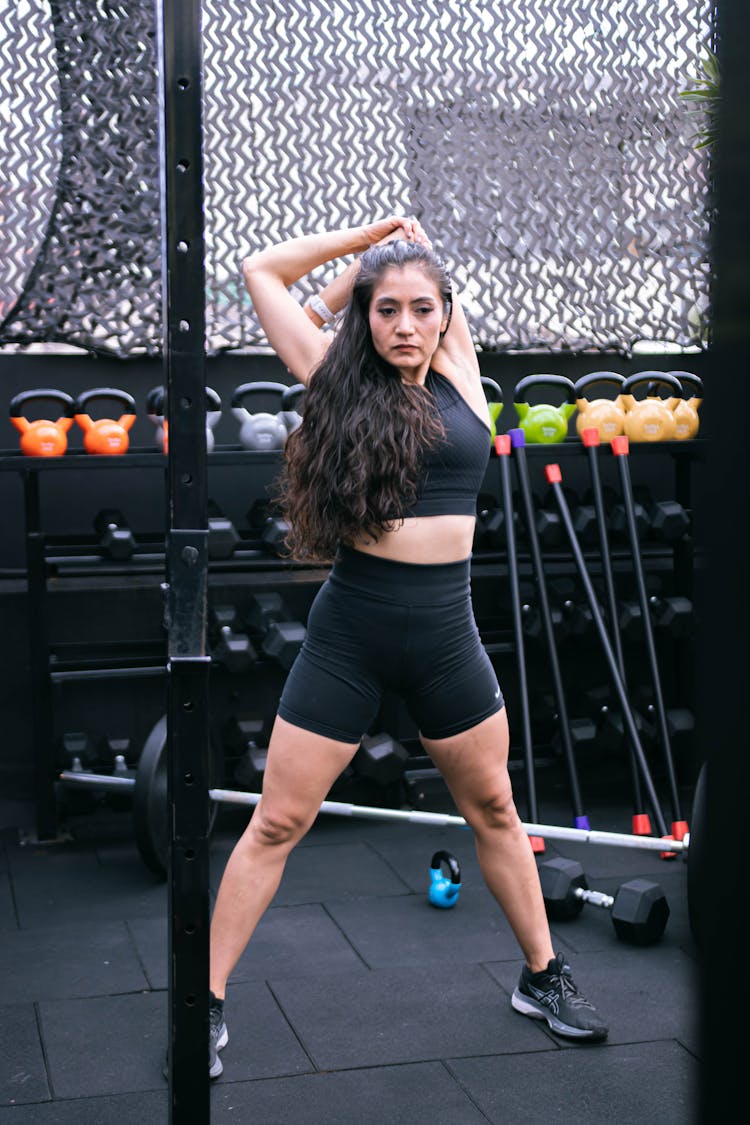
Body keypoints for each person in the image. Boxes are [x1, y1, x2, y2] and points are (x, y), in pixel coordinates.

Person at [207, 215, 607, 1077]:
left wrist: (405, 256)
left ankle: (542, 975)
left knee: (495, 810)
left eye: (420, 308)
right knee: (277, 820)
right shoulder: (333, 375)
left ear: (443, 314)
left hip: (446, 634)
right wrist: (370, 236)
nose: (404, 324)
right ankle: (204, 1004)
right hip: (351, 631)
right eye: (384, 309)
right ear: (364, 315)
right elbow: (260, 268)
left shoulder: (464, 375)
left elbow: (428, 291)